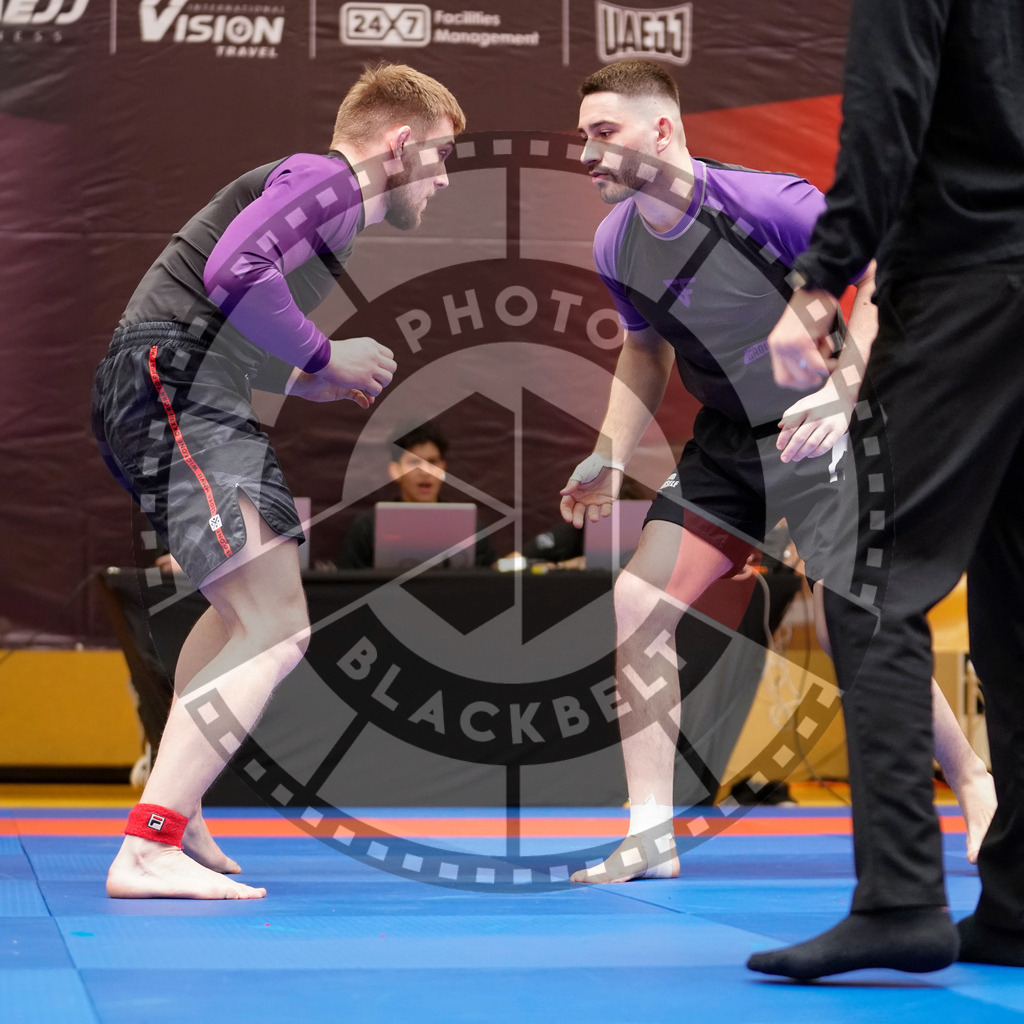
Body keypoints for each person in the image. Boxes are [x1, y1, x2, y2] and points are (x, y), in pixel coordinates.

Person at [558, 59, 994, 886]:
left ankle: (975, 781)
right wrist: (611, 448)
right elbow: (645, 351)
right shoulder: (616, 242)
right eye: (584, 135)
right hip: (727, 445)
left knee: (851, 619)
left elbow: (876, 282)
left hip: (825, 435)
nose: (587, 152)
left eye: (603, 133)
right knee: (637, 600)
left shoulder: (774, 207)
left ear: (663, 131)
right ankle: (648, 830)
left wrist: (840, 392)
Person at [91, 62, 464, 899]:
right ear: (400, 144)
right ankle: (148, 846)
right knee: (279, 625)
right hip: (177, 388)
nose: (441, 179)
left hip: (176, 386)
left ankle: (177, 816)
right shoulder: (330, 179)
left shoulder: (322, 201)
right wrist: (327, 352)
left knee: (237, 613)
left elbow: (234, 313)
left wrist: (310, 378)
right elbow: (234, 269)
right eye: (440, 157)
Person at [750, 0, 1024, 979]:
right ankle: (1018, 905)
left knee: (865, 570)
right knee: (1014, 603)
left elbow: (886, 110)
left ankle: (901, 894)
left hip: (969, 275)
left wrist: (823, 279)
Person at [339, 420, 497, 568]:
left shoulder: (470, 527)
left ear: (442, 468)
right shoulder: (368, 527)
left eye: (432, 462)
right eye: (414, 462)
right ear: (395, 471)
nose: (425, 472)